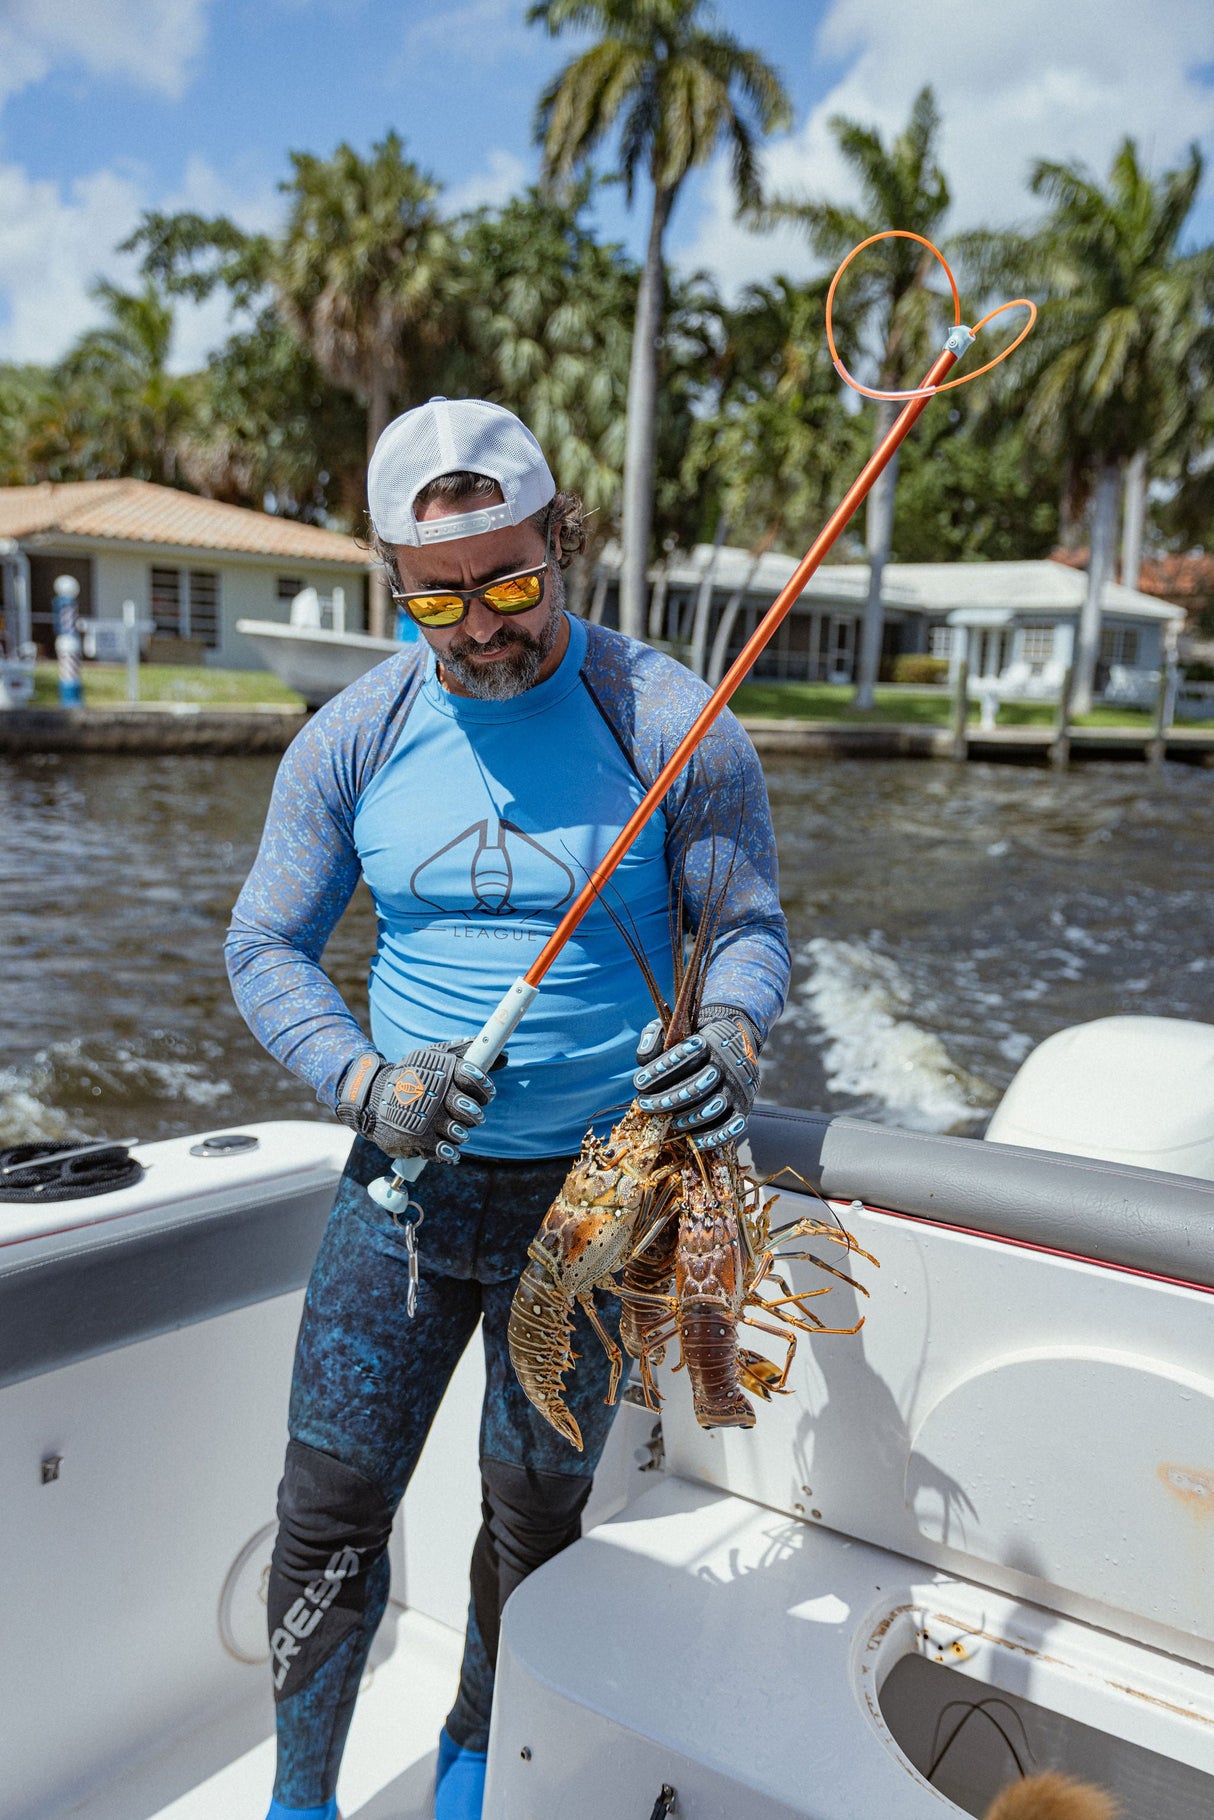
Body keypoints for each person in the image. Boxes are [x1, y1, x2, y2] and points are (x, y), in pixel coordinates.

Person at [226, 396, 790, 1820]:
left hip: (593, 1205)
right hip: (402, 1198)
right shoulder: (350, 737)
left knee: (533, 1513)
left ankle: (471, 1780)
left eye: (513, 586)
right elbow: (263, 948)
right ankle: (300, 1805)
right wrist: (367, 1084)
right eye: (440, 601)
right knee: (328, 1518)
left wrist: (729, 1032)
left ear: (564, 541)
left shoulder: (668, 720)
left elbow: (749, 929)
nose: (482, 629)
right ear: (394, 588)